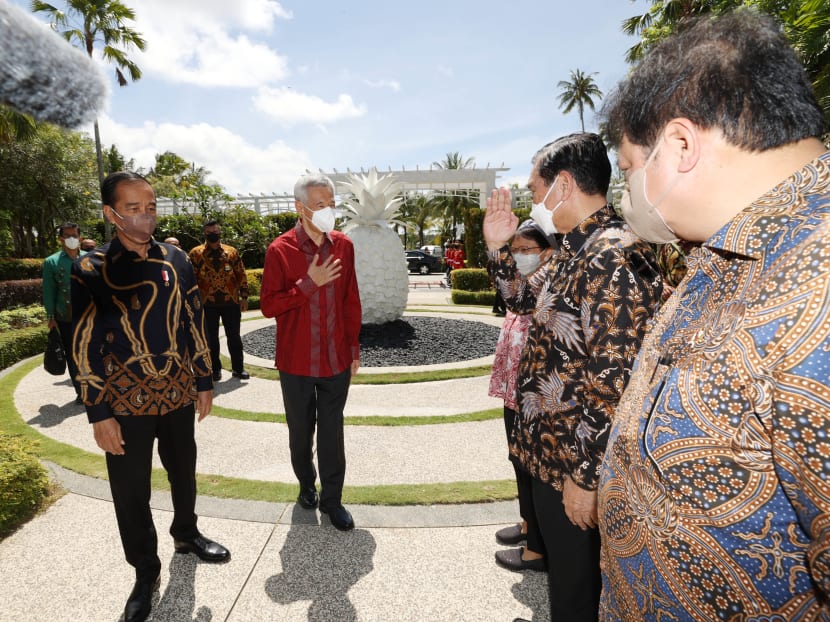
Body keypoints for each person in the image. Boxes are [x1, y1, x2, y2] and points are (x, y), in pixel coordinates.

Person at [597, 10, 829, 621]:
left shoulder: (817, 281)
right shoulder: (723, 251)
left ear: (680, 145)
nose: (631, 192)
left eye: (628, 169)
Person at [484, 132, 664, 622]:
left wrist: (585, 477)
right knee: (567, 584)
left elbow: (615, 378)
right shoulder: (572, 250)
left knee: (579, 591)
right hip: (550, 453)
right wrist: (499, 248)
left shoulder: (610, 255)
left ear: (562, 184)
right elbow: (521, 300)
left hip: (575, 464)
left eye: (534, 187)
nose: (530, 198)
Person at [71, 172, 230, 622]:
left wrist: (203, 378)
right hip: (123, 404)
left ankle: (187, 533)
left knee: (184, 470)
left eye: (151, 207)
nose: (145, 217)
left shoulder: (178, 258)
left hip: (179, 392)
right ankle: (145, 570)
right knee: (130, 490)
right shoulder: (90, 269)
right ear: (111, 213)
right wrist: (98, 413)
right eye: (134, 209)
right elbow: (81, 346)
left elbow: (194, 321)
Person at [260, 174, 361, 532]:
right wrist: (308, 283)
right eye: (320, 205)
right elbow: (269, 305)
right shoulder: (280, 250)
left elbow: (351, 300)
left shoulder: (344, 246)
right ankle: (306, 484)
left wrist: (353, 348)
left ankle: (333, 500)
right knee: (300, 432)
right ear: (300, 208)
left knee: (332, 432)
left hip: (335, 360)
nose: (328, 211)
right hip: (296, 362)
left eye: (332, 204)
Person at [489, 220, 555, 573]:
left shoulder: (547, 282)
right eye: (515, 250)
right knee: (518, 460)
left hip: (532, 393)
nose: (519, 257)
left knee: (531, 465)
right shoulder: (523, 283)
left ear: (547, 251)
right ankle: (528, 524)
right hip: (515, 390)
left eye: (526, 250)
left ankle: (537, 549)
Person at [188, 219, 250, 382]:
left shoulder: (231, 252)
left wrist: (244, 297)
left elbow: (241, 274)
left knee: (234, 337)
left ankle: (238, 368)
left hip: (231, 302)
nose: (213, 234)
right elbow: (191, 280)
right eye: (210, 232)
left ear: (220, 231)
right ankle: (215, 370)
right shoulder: (196, 253)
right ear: (205, 233)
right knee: (211, 339)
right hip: (207, 304)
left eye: (216, 231)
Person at [42, 221, 85, 403]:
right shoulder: (52, 262)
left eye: (74, 235)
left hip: (89, 316)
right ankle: (81, 392)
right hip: (65, 317)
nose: (72, 239)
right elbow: (49, 291)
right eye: (67, 236)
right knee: (72, 355)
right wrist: (51, 317)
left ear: (80, 237)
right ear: (61, 239)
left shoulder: (89, 258)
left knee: (93, 352)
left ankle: (96, 388)